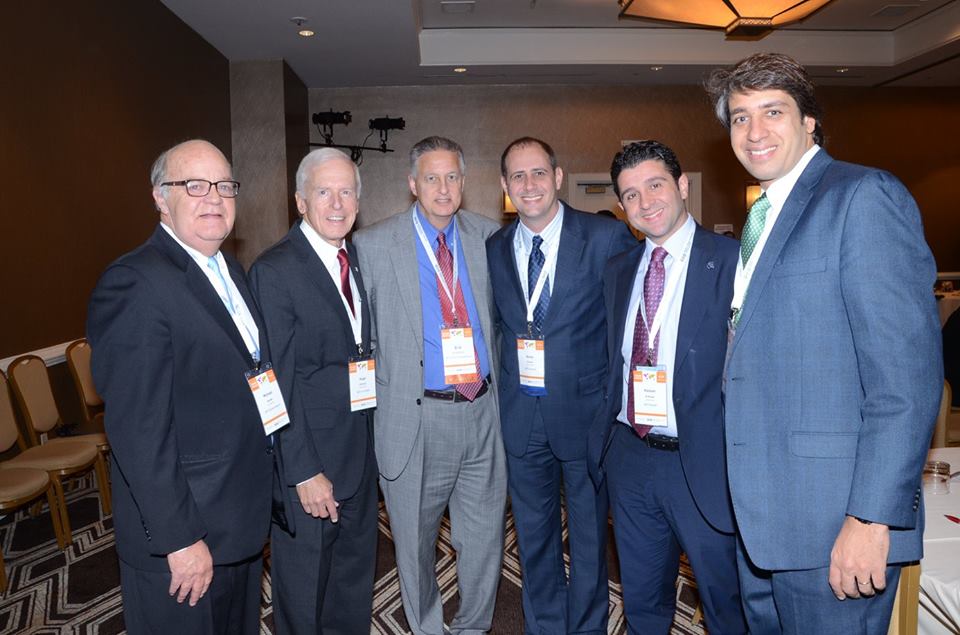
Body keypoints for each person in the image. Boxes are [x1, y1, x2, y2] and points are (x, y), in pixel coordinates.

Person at [705, 53, 942, 633]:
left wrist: (870, 518)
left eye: (773, 112)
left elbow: (905, 381)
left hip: (833, 526)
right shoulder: (763, 216)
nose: (754, 132)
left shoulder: (862, 196)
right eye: (740, 117)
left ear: (809, 121)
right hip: (763, 523)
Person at [87, 139, 275, 634]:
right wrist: (180, 539)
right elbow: (137, 429)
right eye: (194, 185)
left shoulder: (230, 270)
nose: (214, 197)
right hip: (185, 537)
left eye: (224, 186)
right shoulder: (136, 282)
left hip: (236, 519)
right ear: (160, 197)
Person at [586, 140, 745, 634]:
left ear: (682, 185)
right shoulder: (618, 270)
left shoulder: (734, 261)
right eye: (631, 195)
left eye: (655, 185)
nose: (645, 202)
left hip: (704, 461)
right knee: (643, 604)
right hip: (631, 458)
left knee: (726, 605)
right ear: (622, 206)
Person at [353, 136, 507, 635]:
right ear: (412, 184)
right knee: (415, 543)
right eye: (432, 178)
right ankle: (425, 627)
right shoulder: (372, 246)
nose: (443, 188)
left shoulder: (489, 238)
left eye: (452, 177)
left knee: (484, 539)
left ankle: (474, 626)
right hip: (416, 418)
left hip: (483, 412)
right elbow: (360, 340)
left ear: (464, 181)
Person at [486, 137, 635, 634]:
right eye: (517, 176)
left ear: (558, 176)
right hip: (522, 417)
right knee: (534, 538)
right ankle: (546, 625)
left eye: (538, 173)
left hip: (587, 416)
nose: (529, 184)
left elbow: (624, 329)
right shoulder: (495, 248)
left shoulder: (605, 238)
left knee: (590, 538)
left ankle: (588, 627)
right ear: (505, 186)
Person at [249, 148, 377, 633]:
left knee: (351, 587)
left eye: (347, 191)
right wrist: (302, 470)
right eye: (324, 192)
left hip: (359, 455)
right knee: (305, 598)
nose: (337, 203)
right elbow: (274, 382)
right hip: (311, 468)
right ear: (301, 201)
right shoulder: (275, 270)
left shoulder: (356, 258)